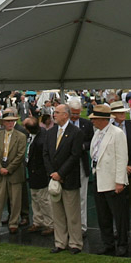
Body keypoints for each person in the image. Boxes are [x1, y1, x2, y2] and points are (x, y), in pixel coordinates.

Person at [89, 104, 130, 256]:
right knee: (103, 215)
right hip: (99, 177)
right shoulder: (97, 133)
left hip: (113, 181)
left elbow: (121, 158)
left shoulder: (117, 133)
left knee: (119, 216)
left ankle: (122, 244)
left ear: (102, 119)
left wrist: (119, 181)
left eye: (94, 119)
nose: (92, 121)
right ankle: (108, 243)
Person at [44, 104, 84, 254]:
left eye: (57, 112)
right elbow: (46, 154)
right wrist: (52, 173)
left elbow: (75, 156)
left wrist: (61, 173)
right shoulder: (50, 132)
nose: (54, 115)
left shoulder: (76, 133)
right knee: (58, 213)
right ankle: (60, 242)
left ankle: (75, 243)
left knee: (72, 213)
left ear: (66, 115)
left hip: (69, 179)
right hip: (54, 179)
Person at [110, 101, 131, 240]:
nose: (123, 114)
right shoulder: (109, 129)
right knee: (119, 202)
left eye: (123, 112)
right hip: (116, 171)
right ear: (113, 115)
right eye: (119, 112)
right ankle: (120, 227)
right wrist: (120, 167)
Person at [0, 109, 27, 236]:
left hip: (15, 172)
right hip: (1, 172)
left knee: (16, 200)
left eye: (12, 121)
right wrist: (0, 167)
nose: (10, 123)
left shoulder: (21, 136)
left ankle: (13, 223)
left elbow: (20, 155)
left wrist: (9, 168)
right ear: (3, 123)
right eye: (8, 121)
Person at [67, 98, 94, 234]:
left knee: (82, 197)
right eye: (73, 113)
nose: (75, 116)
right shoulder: (64, 125)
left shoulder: (86, 124)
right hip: (67, 165)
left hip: (81, 163)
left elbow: (92, 140)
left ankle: (82, 226)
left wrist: (83, 146)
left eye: (77, 113)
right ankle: (69, 226)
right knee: (69, 198)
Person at [24, 116, 53, 235]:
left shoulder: (41, 140)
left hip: (40, 174)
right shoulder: (32, 137)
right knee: (35, 198)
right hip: (33, 173)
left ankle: (50, 224)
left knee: (44, 200)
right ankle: (37, 221)